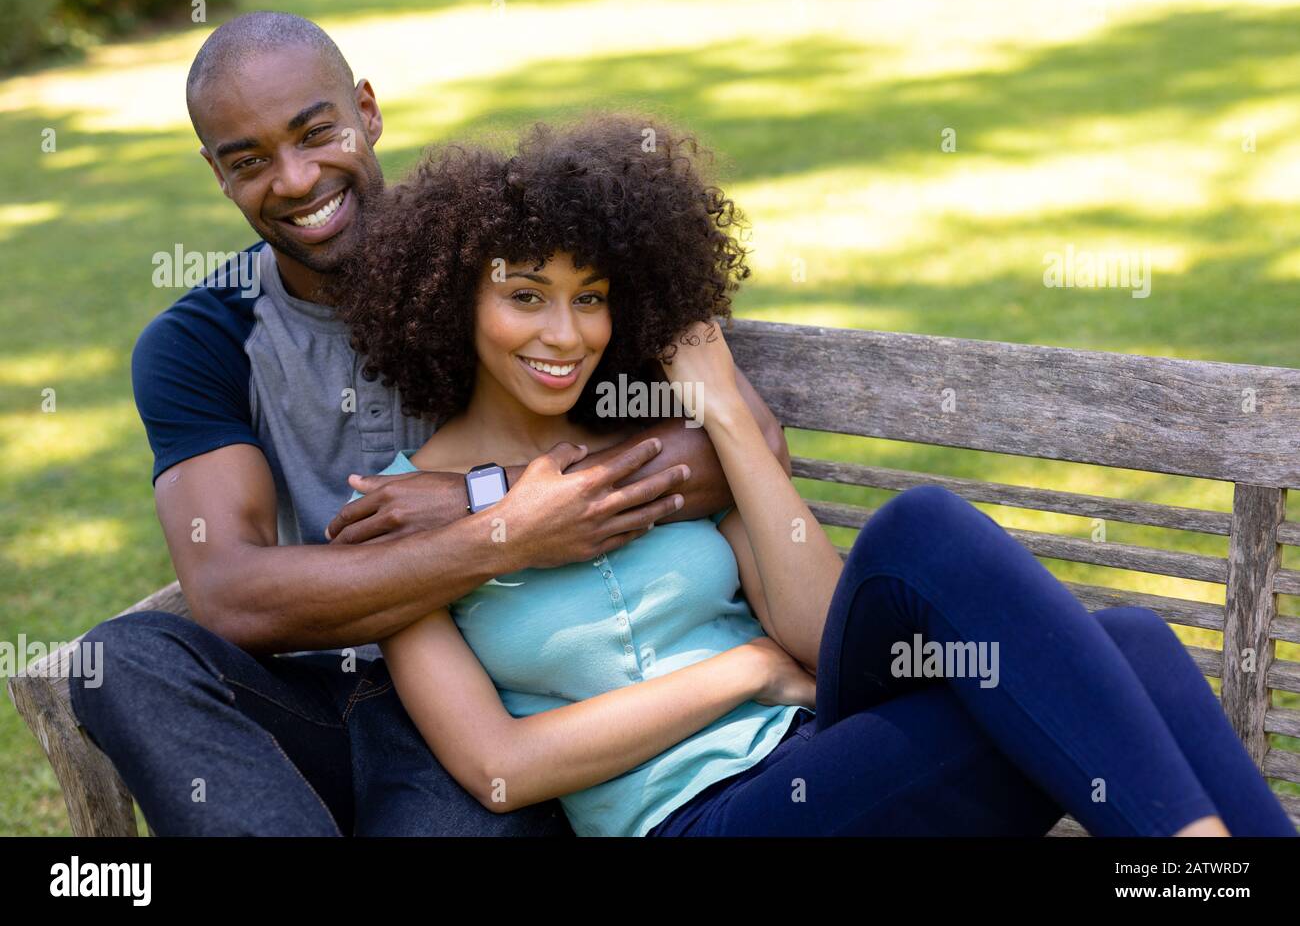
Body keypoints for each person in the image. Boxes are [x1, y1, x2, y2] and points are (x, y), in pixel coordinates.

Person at [339, 111, 1299, 837]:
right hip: (699, 823)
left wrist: (723, 413)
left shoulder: (648, 447)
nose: (566, 333)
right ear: (449, 298)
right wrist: (743, 670)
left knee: (1066, 608)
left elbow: (812, 628)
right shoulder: (404, 525)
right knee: (1100, 672)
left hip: (825, 759)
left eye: (591, 298)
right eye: (523, 296)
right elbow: (499, 767)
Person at [67, 11, 794, 836]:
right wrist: (503, 526)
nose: (298, 179)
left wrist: (471, 495)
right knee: (121, 656)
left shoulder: (486, 261)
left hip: (490, 688)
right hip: (312, 696)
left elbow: (732, 446)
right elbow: (232, 593)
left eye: (317, 133)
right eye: (251, 161)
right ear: (217, 175)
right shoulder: (200, 341)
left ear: (367, 112)